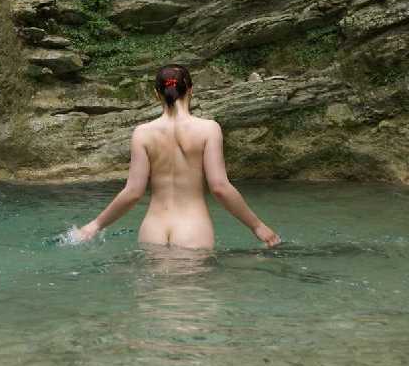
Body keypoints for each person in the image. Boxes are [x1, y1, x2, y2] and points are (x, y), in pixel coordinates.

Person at [77, 64, 280, 249]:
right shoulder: (208, 129)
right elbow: (220, 188)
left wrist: (95, 225)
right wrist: (257, 226)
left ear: (157, 94)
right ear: (190, 90)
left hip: (153, 231)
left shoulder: (142, 133)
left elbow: (132, 193)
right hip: (193, 230)